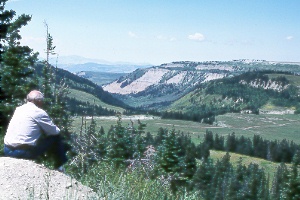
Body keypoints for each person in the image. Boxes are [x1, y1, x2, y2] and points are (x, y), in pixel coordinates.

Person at [3, 90, 68, 171]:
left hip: (7, 150)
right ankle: (59, 166)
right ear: (39, 101)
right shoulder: (39, 113)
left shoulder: (18, 109)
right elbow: (55, 131)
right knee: (55, 137)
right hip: (22, 152)